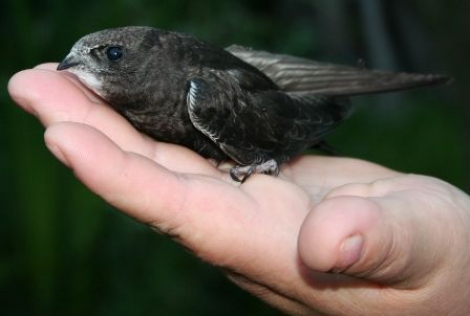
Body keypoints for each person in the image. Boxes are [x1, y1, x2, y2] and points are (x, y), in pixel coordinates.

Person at [8, 64, 470, 316]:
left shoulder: (202, 92)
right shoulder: (161, 86)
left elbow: (249, 83)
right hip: (244, 81)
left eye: (107, 55)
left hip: (278, 121)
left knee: (216, 102)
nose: (79, 66)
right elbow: (251, 70)